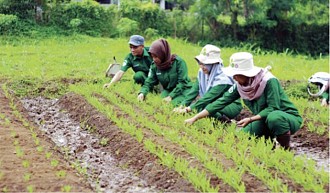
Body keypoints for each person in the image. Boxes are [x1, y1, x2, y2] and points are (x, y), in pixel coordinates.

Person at [185, 52, 303, 150]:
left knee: (274, 117)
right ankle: (269, 145)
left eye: (236, 74)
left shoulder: (269, 81)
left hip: (286, 118)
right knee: (243, 138)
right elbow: (219, 103)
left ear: (246, 74)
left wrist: (251, 119)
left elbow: (273, 108)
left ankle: (285, 149)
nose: (234, 78)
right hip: (263, 119)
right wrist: (194, 118)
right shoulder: (240, 86)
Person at [173, 44, 242, 121]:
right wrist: (182, 105)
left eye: (205, 64)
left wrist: (187, 109)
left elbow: (207, 99)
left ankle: (225, 120)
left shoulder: (223, 80)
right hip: (213, 102)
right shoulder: (202, 73)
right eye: (200, 63)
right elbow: (194, 91)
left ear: (214, 64)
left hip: (229, 105)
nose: (202, 67)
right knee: (200, 108)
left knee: (203, 108)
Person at [137, 38, 192, 106]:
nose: (154, 59)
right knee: (160, 101)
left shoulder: (179, 63)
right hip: (169, 89)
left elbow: (182, 83)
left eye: (156, 56)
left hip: (183, 90)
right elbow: (149, 81)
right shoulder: (155, 66)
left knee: (172, 104)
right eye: (152, 57)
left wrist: (170, 96)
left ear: (163, 54)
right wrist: (142, 92)